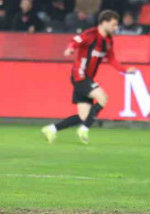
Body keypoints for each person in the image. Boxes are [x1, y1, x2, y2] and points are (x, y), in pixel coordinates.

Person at [41, 10, 136, 144]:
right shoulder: (90, 35)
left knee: (84, 116)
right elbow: (75, 41)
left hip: (86, 78)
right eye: (113, 24)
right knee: (103, 97)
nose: (116, 28)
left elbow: (112, 59)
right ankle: (84, 129)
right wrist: (70, 49)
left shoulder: (108, 41)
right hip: (80, 76)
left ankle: (51, 129)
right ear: (104, 23)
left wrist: (126, 70)